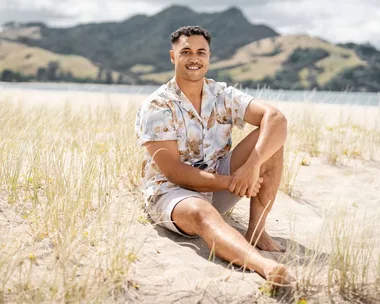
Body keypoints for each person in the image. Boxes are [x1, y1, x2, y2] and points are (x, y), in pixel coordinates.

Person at [135, 25, 289, 285]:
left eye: (200, 52)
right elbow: (174, 171)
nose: (194, 58)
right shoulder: (158, 105)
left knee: (271, 143)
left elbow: (275, 118)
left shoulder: (221, 95)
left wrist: (251, 166)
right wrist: (232, 182)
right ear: (173, 56)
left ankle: (257, 232)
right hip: (173, 194)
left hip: (217, 185)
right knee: (200, 211)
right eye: (186, 51)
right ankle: (265, 267)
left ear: (208, 57)